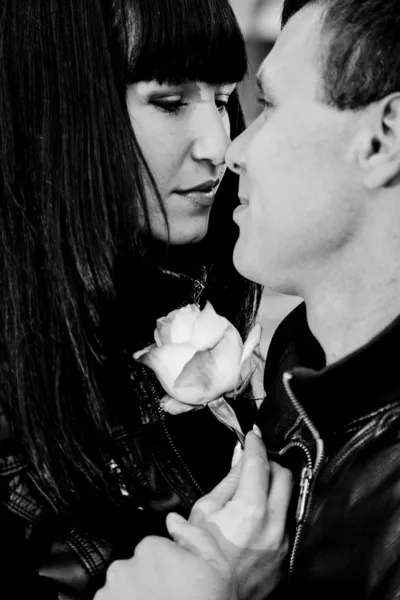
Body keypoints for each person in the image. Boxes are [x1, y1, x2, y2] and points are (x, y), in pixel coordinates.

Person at [95, 0, 400, 599]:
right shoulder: (300, 381)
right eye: (171, 101)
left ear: (383, 138)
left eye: (266, 105)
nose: (230, 150)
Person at [0, 0, 263, 598]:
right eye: (170, 103)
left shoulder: (194, 287)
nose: (218, 146)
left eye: (224, 100)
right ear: (58, 107)